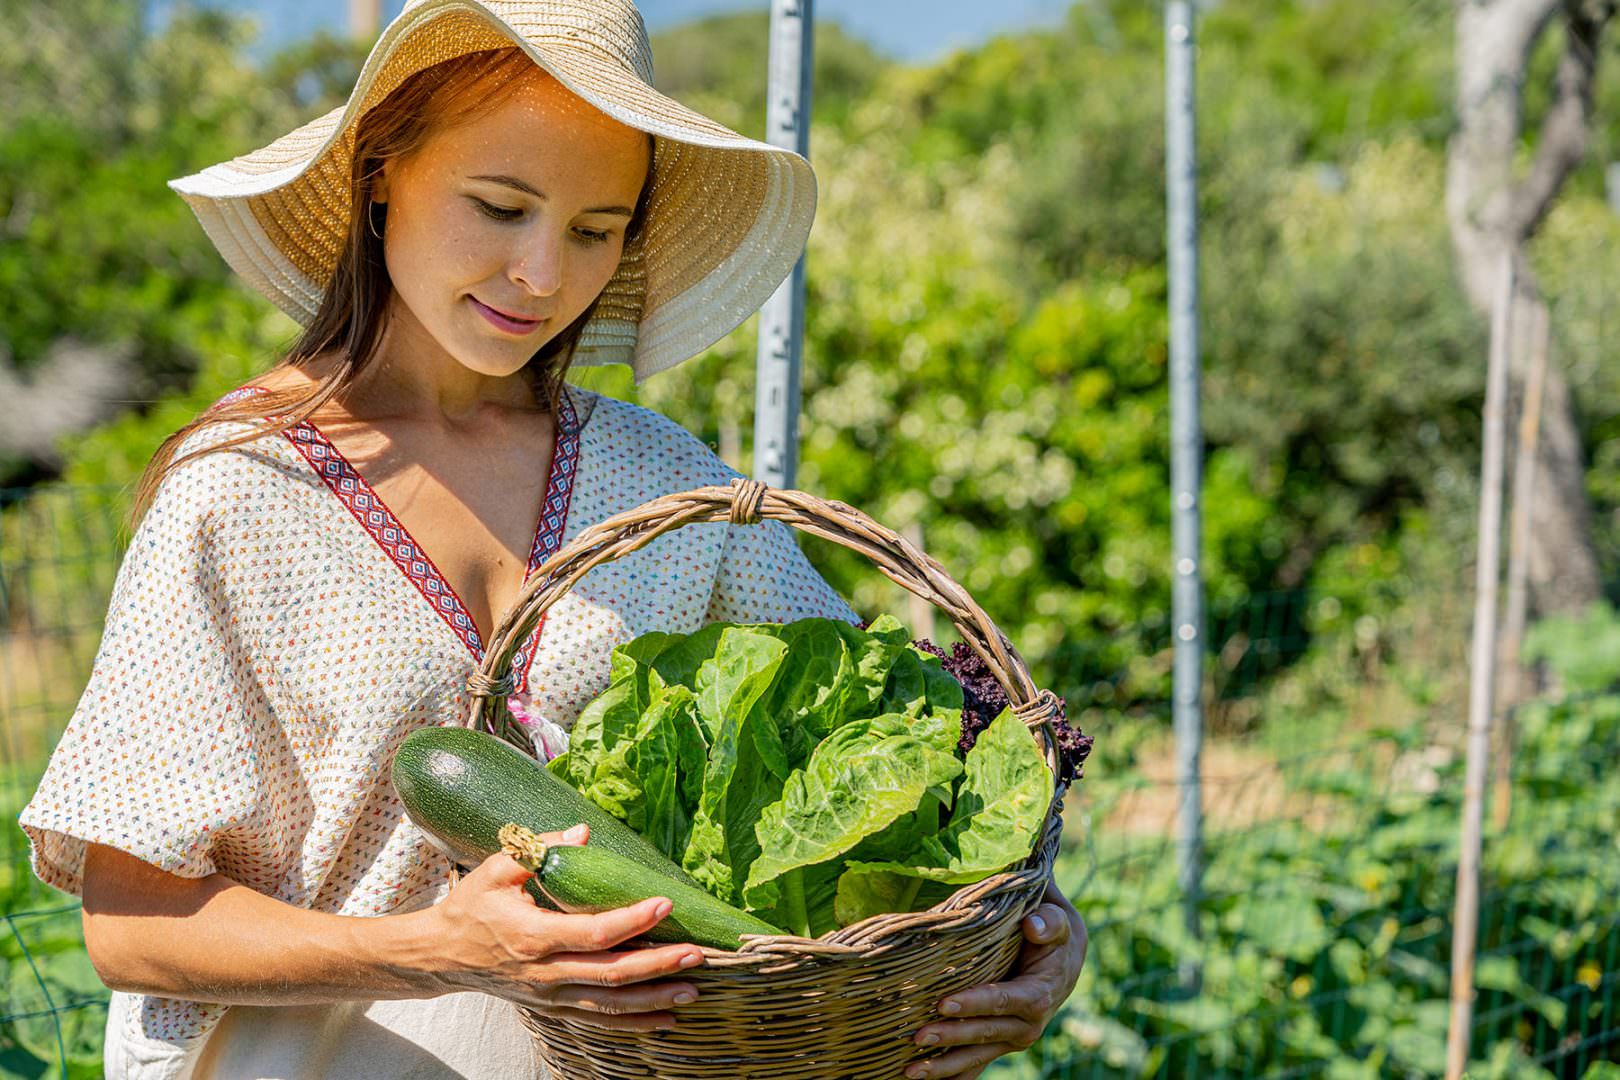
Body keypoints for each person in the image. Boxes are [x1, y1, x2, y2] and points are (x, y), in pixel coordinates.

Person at [18, 1, 1087, 1077]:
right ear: (380, 176)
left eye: (594, 229)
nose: (542, 273)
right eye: (499, 205)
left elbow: (903, 740)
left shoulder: (668, 481)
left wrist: (1033, 931)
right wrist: (441, 952)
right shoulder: (242, 491)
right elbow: (130, 925)